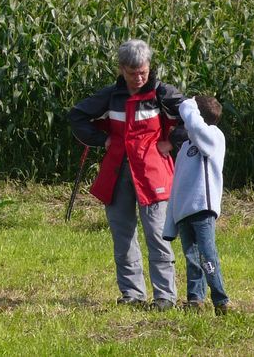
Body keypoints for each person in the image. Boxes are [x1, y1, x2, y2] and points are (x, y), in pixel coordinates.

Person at [68, 39, 186, 311]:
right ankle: (132, 294)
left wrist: (171, 143)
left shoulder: (163, 93)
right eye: (132, 73)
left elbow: (195, 118)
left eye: (143, 71)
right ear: (121, 69)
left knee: (158, 235)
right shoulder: (110, 95)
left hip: (152, 175)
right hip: (118, 173)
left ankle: (165, 297)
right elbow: (77, 116)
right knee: (123, 235)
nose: (138, 78)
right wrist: (102, 140)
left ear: (149, 67)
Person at [163, 96, 231, 315]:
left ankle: (221, 300)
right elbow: (177, 184)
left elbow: (195, 125)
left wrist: (187, 104)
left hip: (202, 208)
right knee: (192, 259)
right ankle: (195, 300)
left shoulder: (213, 136)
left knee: (207, 255)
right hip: (184, 213)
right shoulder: (185, 148)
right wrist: (170, 221)